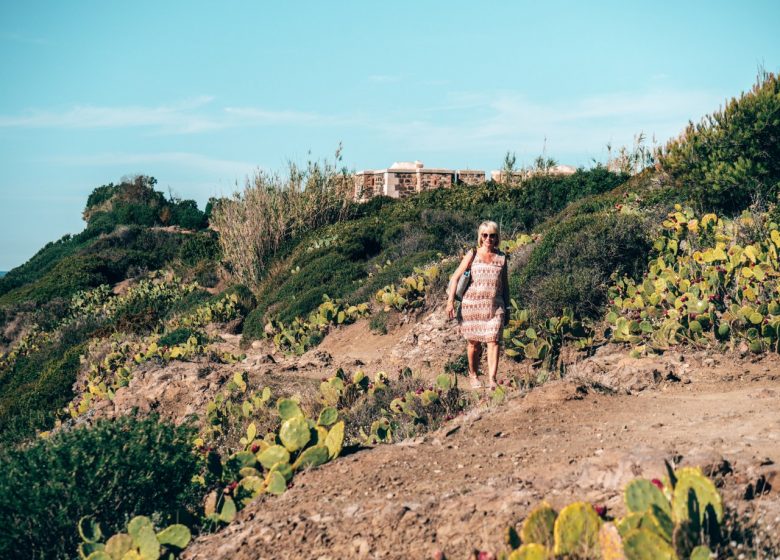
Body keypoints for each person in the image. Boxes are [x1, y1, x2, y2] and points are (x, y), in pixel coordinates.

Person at [446, 221, 510, 389]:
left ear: (497, 237)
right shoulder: (472, 254)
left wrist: (508, 307)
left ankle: (492, 380)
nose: (489, 238)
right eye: (485, 235)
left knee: (493, 341)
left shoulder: (502, 258)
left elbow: (505, 285)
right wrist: (450, 301)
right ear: (480, 237)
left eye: (492, 235)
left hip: (495, 307)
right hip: (471, 307)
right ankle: (473, 375)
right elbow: (455, 278)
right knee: (474, 344)